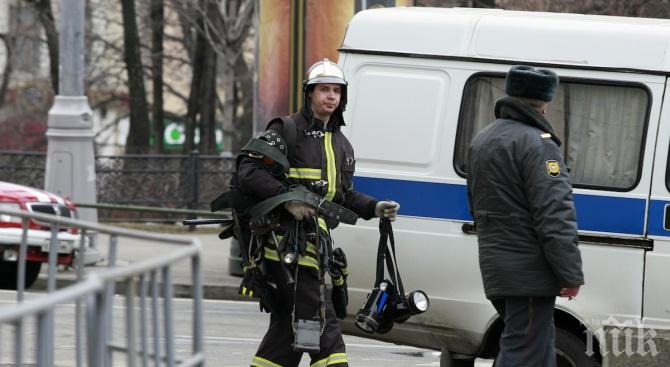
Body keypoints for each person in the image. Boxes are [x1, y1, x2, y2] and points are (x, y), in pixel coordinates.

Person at [238, 58, 399, 367]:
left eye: (336, 91)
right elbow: (249, 172)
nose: (330, 97)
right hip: (283, 247)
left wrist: (375, 207)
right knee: (322, 325)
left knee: (287, 333)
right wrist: (287, 200)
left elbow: (343, 196)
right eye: (323, 90)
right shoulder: (285, 129)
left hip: (316, 247)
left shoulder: (342, 144)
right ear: (309, 93)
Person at [466, 65, 585, 367]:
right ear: (544, 102)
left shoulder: (483, 139)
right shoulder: (539, 144)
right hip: (529, 273)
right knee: (525, 351)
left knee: (535, 347)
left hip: (498, 267)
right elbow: (554, 214)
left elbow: (475, 203)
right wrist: (570, 273)